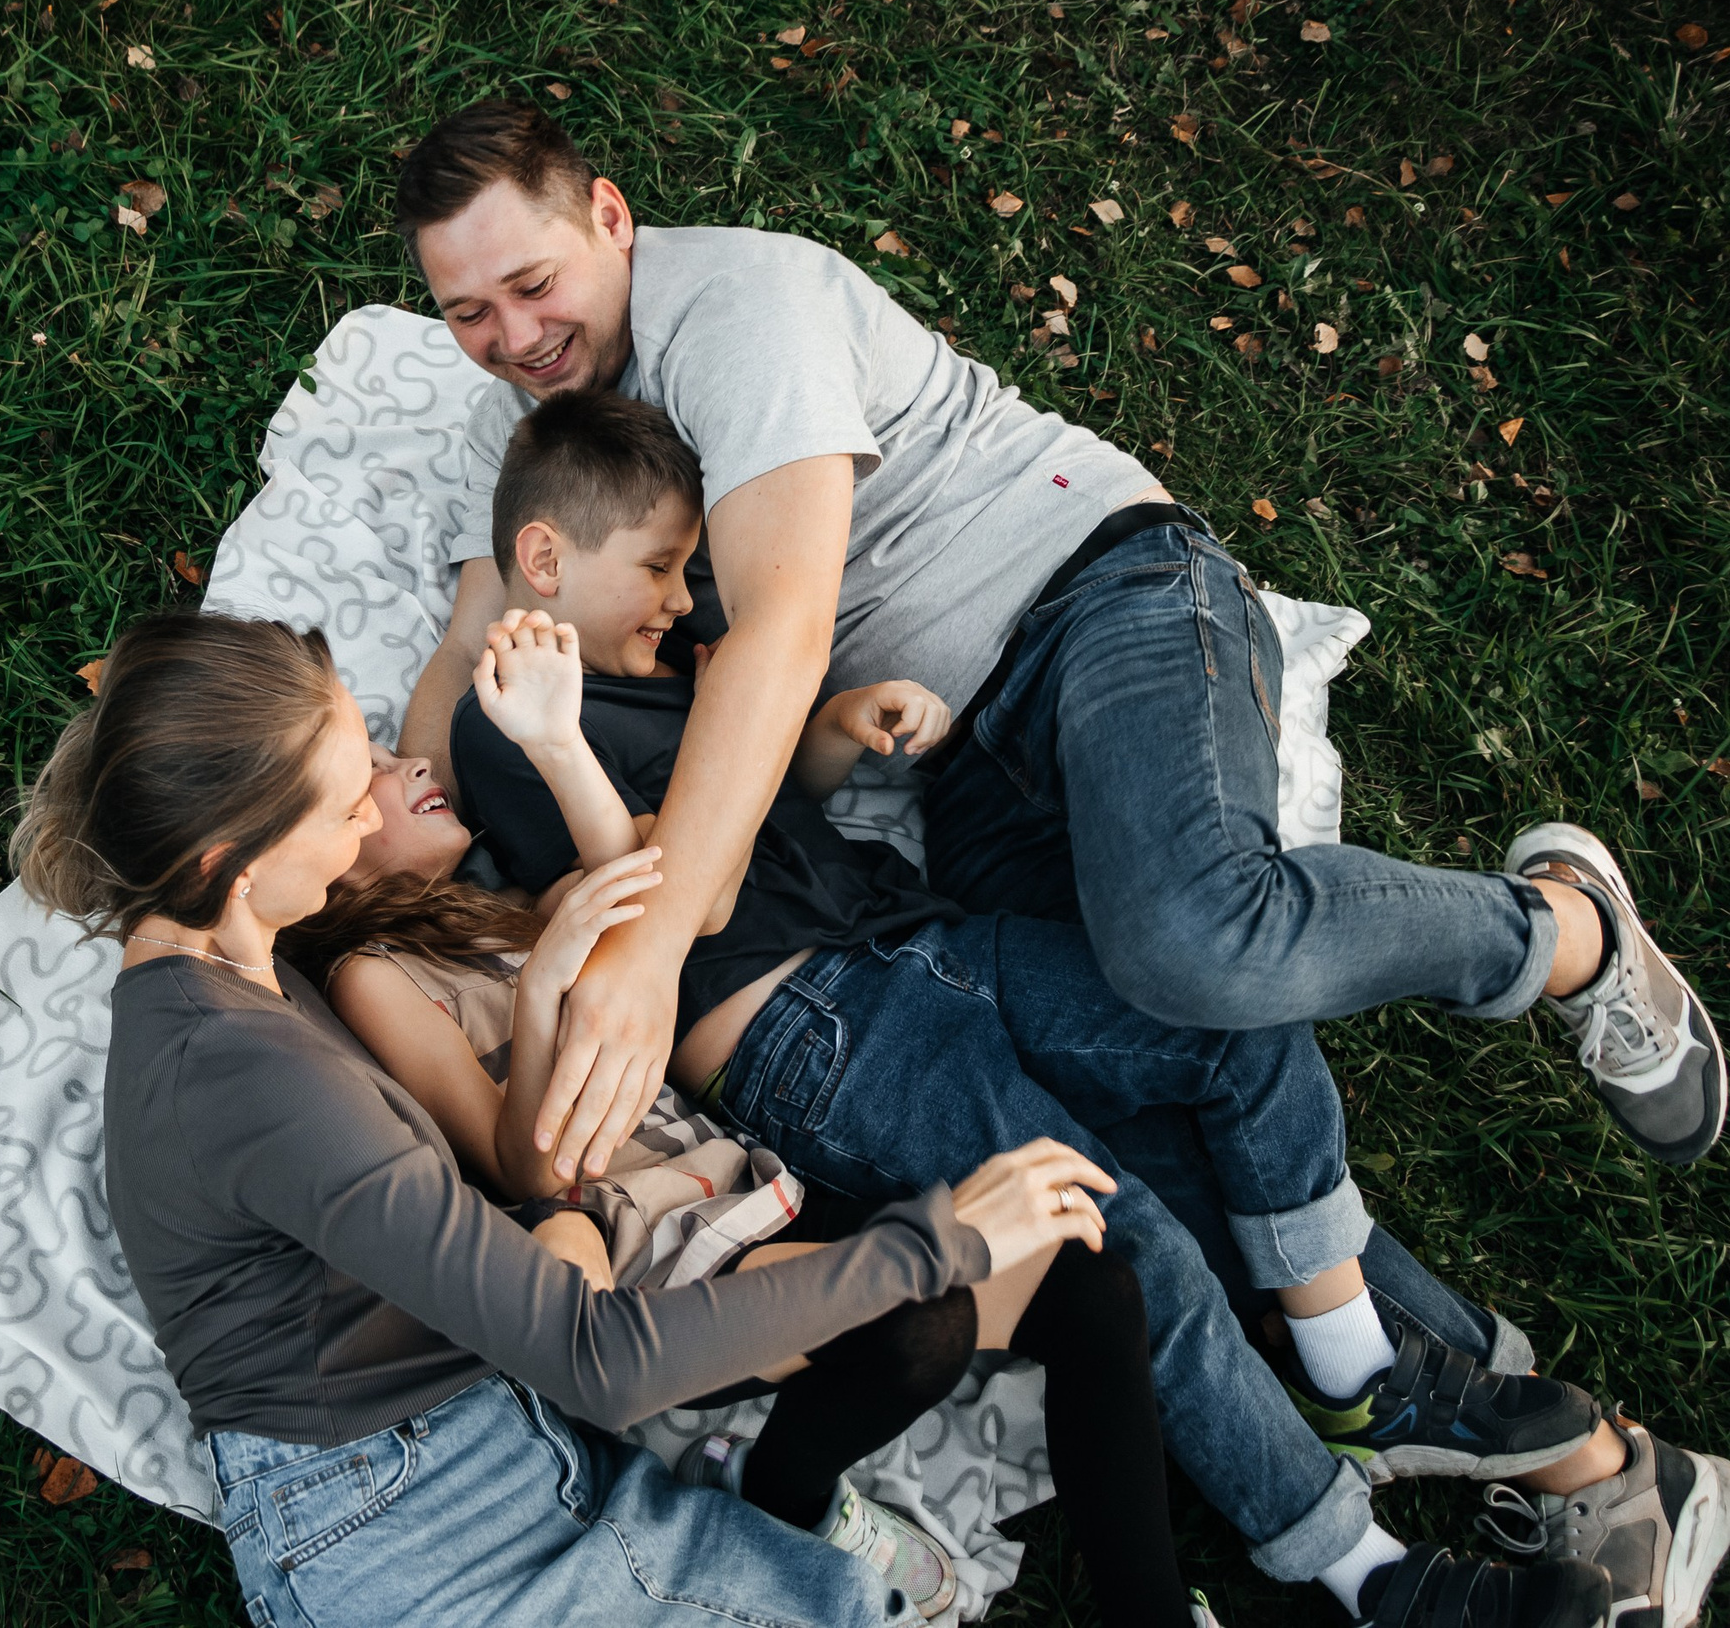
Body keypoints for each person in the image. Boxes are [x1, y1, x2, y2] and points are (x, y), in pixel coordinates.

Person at [445, 388, 1724, 1626]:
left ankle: (1356, 1372)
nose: (679, 599)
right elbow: (670, 905)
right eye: (660, 568)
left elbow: (776, 806)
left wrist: (834, 728)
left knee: (1232, 1030)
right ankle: (1364, 1574)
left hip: (923, 947)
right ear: (547, 555)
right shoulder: (514, 721)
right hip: (812, 1039)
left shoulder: (667, 665)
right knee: (1135, 1240)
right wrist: (555, 735)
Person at [389, 98, 1720, 1192]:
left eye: (533, 281)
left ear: (611, 219)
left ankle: (1563, 931)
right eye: (467, 313)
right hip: (959, 763)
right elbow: (465, 640)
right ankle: (1434, 1397)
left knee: (1196, 939)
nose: (512, 337)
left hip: (1099, 599)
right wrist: (373, 848)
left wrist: (654, 939)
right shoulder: (511, 434)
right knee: (1130, 1075)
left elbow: (781, 629)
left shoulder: (737, 310)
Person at [13, 610, 1125, 1628]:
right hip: (412, 1532)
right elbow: (596, 1359)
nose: (368, 816)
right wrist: (941, 1243)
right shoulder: (237, 1065)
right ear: (230, 864)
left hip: (491, 1439)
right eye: (344, 802)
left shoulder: (231, 964)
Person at [281, 775, 1191, 1624]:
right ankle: (784, 1494)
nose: (412, 762)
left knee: (1091, 1287)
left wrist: (557, 740)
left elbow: (658, 865)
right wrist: (547, 988)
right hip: (654, 1252)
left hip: (751, 1185)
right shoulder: (372, 976)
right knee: (924, 1322)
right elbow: (520, 1169)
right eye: (374, 767)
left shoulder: (504, 911)